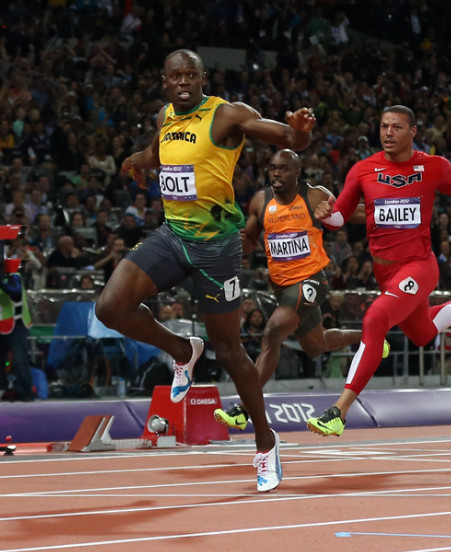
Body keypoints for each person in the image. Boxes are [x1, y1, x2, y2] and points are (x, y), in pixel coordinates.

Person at [94, 49, 316, 492]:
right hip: (173, 235)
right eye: (175, 75)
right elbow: (159, 153)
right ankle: (181, 350)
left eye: (190, 74)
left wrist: (299, 132)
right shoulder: (165, 117)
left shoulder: (227, 115)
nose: (183, 81)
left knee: (230, 351)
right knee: (110, 308)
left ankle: (265, 442)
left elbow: (284, 138)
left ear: (202, 78)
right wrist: (140, 160)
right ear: (164, 81)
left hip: (217, 248)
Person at [305, 105, 451, 437]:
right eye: (384, 127)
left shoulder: (432, 166)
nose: (388, 133)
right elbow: (339, 219)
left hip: (419, 267)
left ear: (413, 131)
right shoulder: (362, 170)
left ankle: (338, 410)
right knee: (423, 333)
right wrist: (325, 213)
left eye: (396, 127)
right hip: (385, 273)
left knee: (375, 319)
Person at [213, 149, 384, 430]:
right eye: (272, 168)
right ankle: (373, 339)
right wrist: (230, 237)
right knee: (316, 346)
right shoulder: (260, 200)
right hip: (282, 285)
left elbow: (352, 214)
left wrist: (385, 211)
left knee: (273, 333)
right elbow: (249, 244)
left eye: (283, 168)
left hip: (312, 281)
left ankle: (244, 409)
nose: (276, 174)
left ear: (297, 173)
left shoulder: (315, 195)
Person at [1, 258, 34, 401]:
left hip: (17, 324)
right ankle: (2, 390)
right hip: (1, 326)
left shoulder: (14, 276)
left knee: (19, 362)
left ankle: (26, 394)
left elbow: (16, 293)